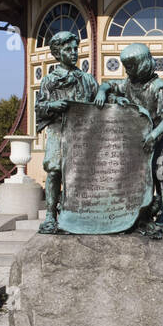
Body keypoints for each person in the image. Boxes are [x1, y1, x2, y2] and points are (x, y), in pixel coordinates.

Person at [94, 42, 163, 232]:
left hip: (160, 142)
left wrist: (154, 134)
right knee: (138, 178)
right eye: (126, 66)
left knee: (160, 177)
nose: (127, 70)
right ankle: (138, 214)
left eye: (131, 66)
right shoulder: (128, 84)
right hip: (138, 143)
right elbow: (109, 85)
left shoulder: (159, 87)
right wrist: (103, 91)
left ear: (142, 63)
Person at [34, 30, 99, 233]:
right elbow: (39, 107)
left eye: (75, 49)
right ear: (57, 52)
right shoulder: (49, 81)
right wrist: (54, 105)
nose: (73, 53)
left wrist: (106, 92)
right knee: (54, 171)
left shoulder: (87, 80)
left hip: (82, 134)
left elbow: (100, 104)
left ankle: (79, 213)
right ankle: (51, 214)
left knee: (81, 174)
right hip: (58, 131)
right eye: (68, 49)